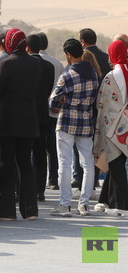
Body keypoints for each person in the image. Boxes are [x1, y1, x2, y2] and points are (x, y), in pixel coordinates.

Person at [0, 28, 41, 221]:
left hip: (7, 121)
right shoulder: (36, 64)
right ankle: (30, 210)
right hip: (29, 119)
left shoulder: (6, 64)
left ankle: (7, 211)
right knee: (25, 164)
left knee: (6, 165)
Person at [49, 39, 99, 217]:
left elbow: (53, 100)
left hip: (67, 122)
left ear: (68, 55)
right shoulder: (92, 73)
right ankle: (84, 204)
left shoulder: (67, 75)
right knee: (88, 163)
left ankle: (65, 204)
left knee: (65, 163)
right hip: (85, 121)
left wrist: (61, 102)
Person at [93, 40, 128, 214]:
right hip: (126, 126)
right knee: (119, 161)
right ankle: (105, 200)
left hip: (113, 126)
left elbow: (102, 103)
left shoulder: (111, 76)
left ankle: (120, 204)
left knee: (115, 163)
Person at [27, 35, 58, 202]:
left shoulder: (25, 65)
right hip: (42, 113)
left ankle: (27, 188)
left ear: (27, 47)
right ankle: (40, 190)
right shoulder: (49, 66)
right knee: (41, 153)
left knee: (25, 153)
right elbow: (48, 91)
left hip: (27, 114)